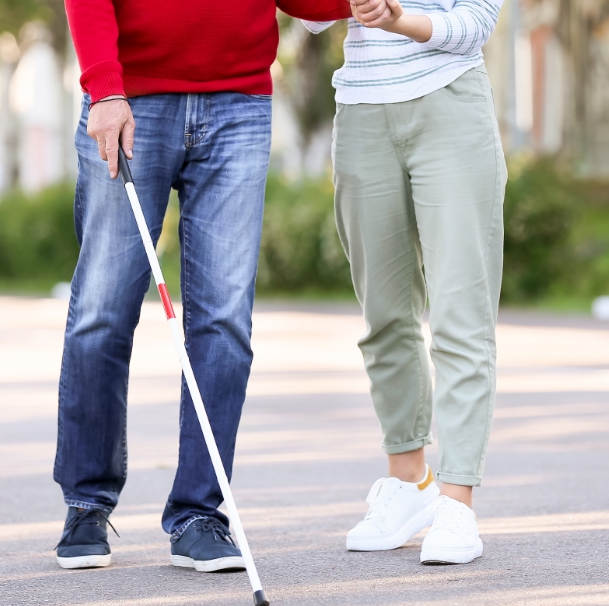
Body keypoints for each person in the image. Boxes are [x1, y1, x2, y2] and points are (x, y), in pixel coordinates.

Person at [53, 0, 390, 571]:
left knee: (224, 322)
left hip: (239, 106)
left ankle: (199, 514)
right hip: (131, 100)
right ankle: (87, 503)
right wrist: (104, 88)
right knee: (101, 313)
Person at [304, 0, 505, 564]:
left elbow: (476, 24)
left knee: (460, 317)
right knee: (384, 317)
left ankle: (457, 502)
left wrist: (398, 20)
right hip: (362, 112)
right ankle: (409, 481)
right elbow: (312, 18)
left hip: (450, 104)